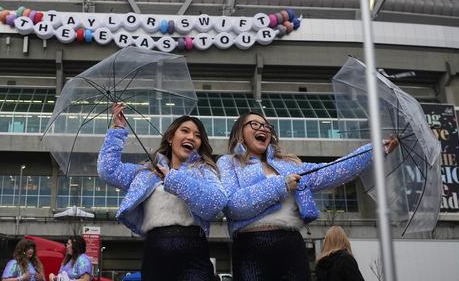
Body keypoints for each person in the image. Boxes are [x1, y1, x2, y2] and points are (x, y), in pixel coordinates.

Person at [217, 112, 398, 281]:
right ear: (240, 132)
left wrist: (374, 150)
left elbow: (333, 171)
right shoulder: (228, 163)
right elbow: (233, 205)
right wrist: (282, 184)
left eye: (266, 126)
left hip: (291, 245)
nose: (263, 129)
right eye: (254, 124)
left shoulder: (289, 165)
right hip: (250, 248)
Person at [97, 102, 226, 281]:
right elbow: (108, 170)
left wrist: (173, 179)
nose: (191, 137)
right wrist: (118, 129)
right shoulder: (147, 172)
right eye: (185, 131)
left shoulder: (204, 170)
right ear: (171, 138)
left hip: (193, 248)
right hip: (155, 249)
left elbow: (215, 203)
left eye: (197, 135)